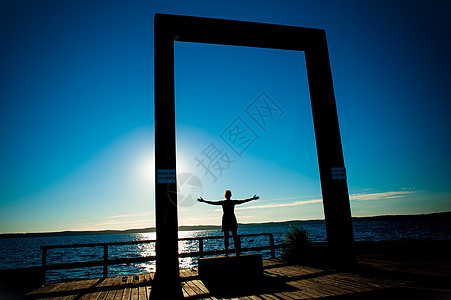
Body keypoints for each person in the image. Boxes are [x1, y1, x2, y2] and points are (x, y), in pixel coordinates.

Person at [198, 190, 259, 256]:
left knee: (226, 237)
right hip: (232, 220)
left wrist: (204, 201)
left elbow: (213, 203)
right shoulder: (232, 202)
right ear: (230, 195)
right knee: (234, 237)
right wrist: (252, 199)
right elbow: (243, 201)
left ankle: (227, 252)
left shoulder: (224, 202)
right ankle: (236, 252)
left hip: (226, 220)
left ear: (225, 195)